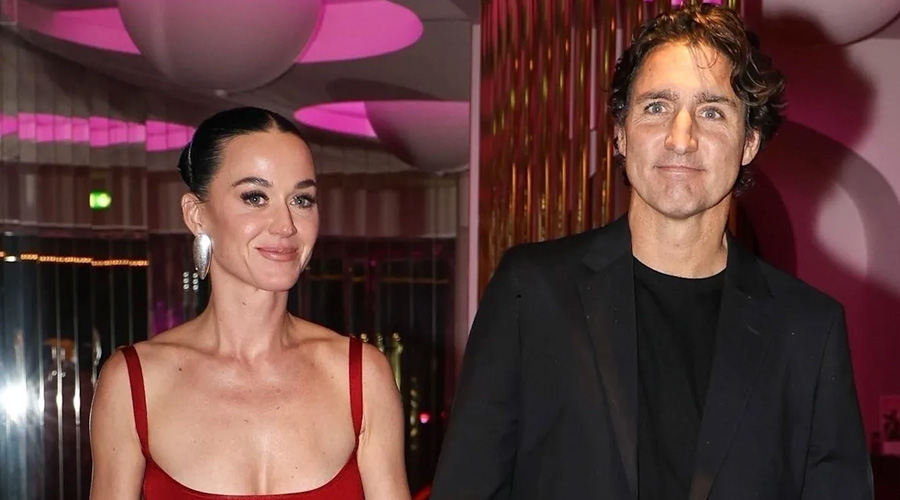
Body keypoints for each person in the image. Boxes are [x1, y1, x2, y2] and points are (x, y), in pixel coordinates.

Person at [431, 5, 872, 500]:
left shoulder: (808, 328)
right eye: (657, 106)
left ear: (749, 142)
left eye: (711, 111)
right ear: (621, 134)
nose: (681, 139)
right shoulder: (532, 291)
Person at [89, 107, 411, 500]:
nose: (286, 225)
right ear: (196, 215)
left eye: (302, 199)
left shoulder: (360, 377)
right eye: (255, 197)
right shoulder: (133, 382)